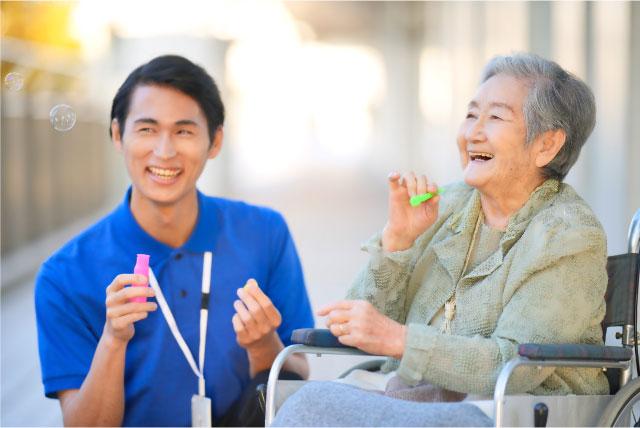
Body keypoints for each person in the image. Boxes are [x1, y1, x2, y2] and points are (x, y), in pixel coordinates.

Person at [272, 53, 608, 427]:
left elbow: (516, 365)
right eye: (470, 115)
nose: (472, 133)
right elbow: (352, 322)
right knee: (309, 403)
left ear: (546, 145)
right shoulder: (443, 205)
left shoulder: (569, 235)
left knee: (313, 406)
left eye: (494, 117)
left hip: (511, 410)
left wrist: (400, 340)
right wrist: (397, 241)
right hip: (415, 399)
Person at [34, 55, 314, 427]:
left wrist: (263, 345)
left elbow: (298, 379)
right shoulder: (63, 275)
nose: (164, 151)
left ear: (215, 142)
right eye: (147, 129)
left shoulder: (265, 233)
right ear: (117, 135)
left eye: (184, 131)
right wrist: (114, 340)